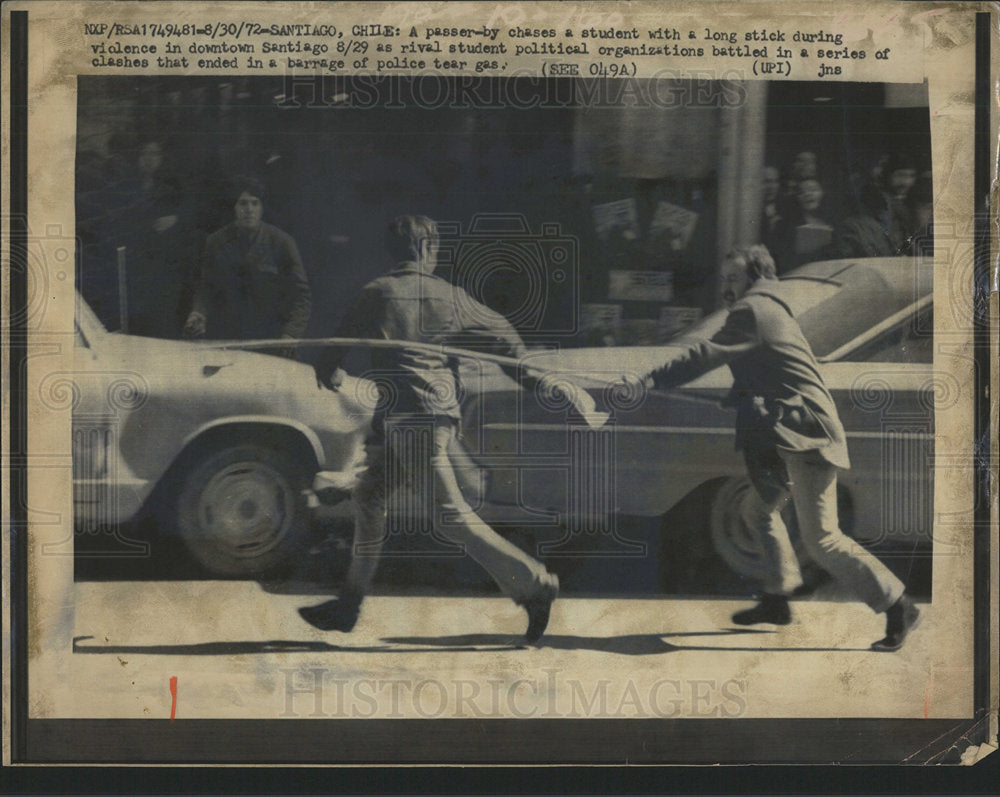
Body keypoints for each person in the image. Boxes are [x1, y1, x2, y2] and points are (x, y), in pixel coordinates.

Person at [620, 245, 920, 652]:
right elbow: (766, 369)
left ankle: (898, 604)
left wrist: (649, 380)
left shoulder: (753, 310)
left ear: (756, 276)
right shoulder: (772, 307)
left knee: (823, 539)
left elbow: (705, 354)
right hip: (788, 429)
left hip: (805, 432)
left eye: (733, 278)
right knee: (757, 511)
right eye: (725, 279)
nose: (726, 287)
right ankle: (778, 597)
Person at [299, 215, 560, 643]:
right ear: (425, 248)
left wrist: (332, 372)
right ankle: (349, 603)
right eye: (435, 249)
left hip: (411, 421)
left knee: (451, 517)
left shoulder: (376, 292)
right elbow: (504, 337)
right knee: (369, 497)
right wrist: (534, 379)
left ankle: (535, 585)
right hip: (424, 419)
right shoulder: (451, 297)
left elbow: (332, 355)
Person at [184, 176, 311, 353]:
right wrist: (198, 313)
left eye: (255, 203)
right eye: (243, 203)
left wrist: (290, 334)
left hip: (270, 340)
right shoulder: (216, 241)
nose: (249, 209)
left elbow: (301, 296)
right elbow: (206, 288)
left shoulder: (282, 242)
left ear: (262, 208)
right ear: (234, 208)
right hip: (226, 338)